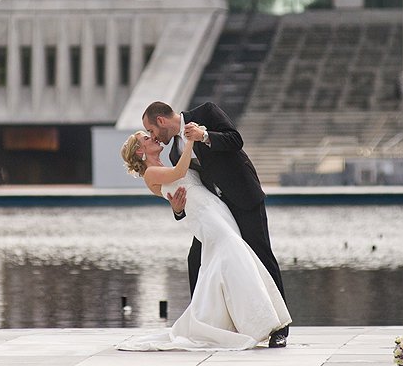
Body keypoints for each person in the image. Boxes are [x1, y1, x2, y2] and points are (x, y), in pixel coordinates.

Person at [117, 129, 290, 351]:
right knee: (234, 255)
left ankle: (234, 322)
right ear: (140, 150)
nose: (154, 138)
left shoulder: (167, 160)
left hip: (218, 210)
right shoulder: (151, 173)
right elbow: (180, 173)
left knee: (228, 262)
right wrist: (190, 142)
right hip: (204, 217)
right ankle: (260, 322)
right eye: (147, 138)